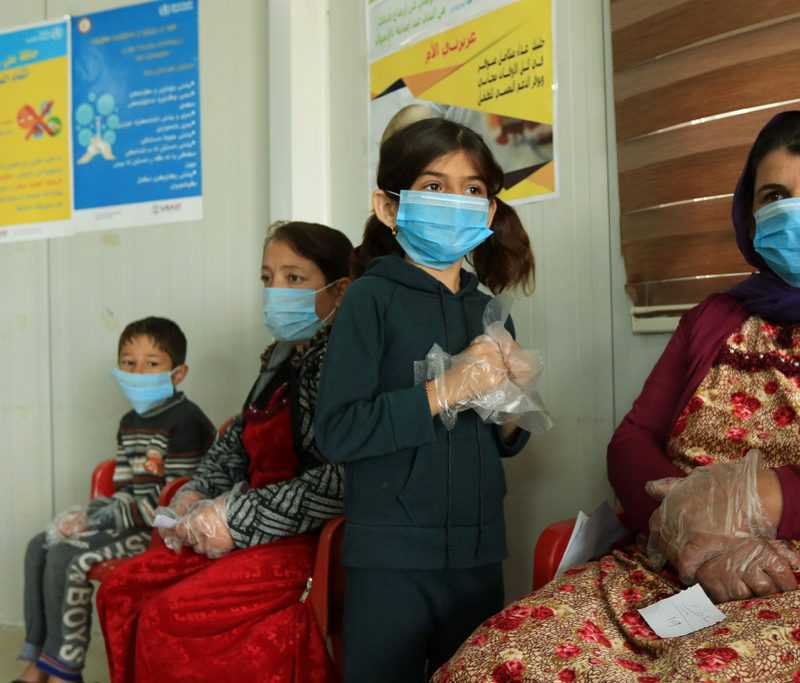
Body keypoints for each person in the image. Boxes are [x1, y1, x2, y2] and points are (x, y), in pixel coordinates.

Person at [433, 112, 800, 683]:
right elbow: (632, 443)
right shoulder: (714, 319)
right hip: (668, 569)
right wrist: (695, 539)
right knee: (494, 661)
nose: (796, 208)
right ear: (751, 215)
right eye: (774, 194)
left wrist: (766, 495)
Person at [314, 117, 536, 682]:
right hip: (389, 556)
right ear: (389, 208)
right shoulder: (369, 301)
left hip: (479, 550)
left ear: (488, 214)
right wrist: (441, 392)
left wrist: (514, 407)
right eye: (434, 186)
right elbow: (337, 431)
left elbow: (501, 440)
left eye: (472, 190)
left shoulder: (490, 311)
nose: (454, 202)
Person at [96, 221, 352, 683]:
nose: (276, 291)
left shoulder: (344, 361)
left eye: (294, 278)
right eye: (267, 278)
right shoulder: (279, 357)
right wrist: (196, 493)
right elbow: (235, 441)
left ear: (339, 290)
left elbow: (340, 481)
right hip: (243, 524)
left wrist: (237, 516)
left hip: (301, 541)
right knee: (120, 591)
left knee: (168, 615)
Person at [18, 317, 215, 683]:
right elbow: (125, 490)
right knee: (39, 546)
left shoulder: (186, 421)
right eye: (128, 362)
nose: (138, 372)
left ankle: (64, 670)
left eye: (151, 363)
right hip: (133, 519)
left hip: (163, 532)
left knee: (67, 555)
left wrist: (99, 519)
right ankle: (39, 658)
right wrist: (87, 513)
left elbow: (175, 502)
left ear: (178, 372)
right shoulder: (130, 422)